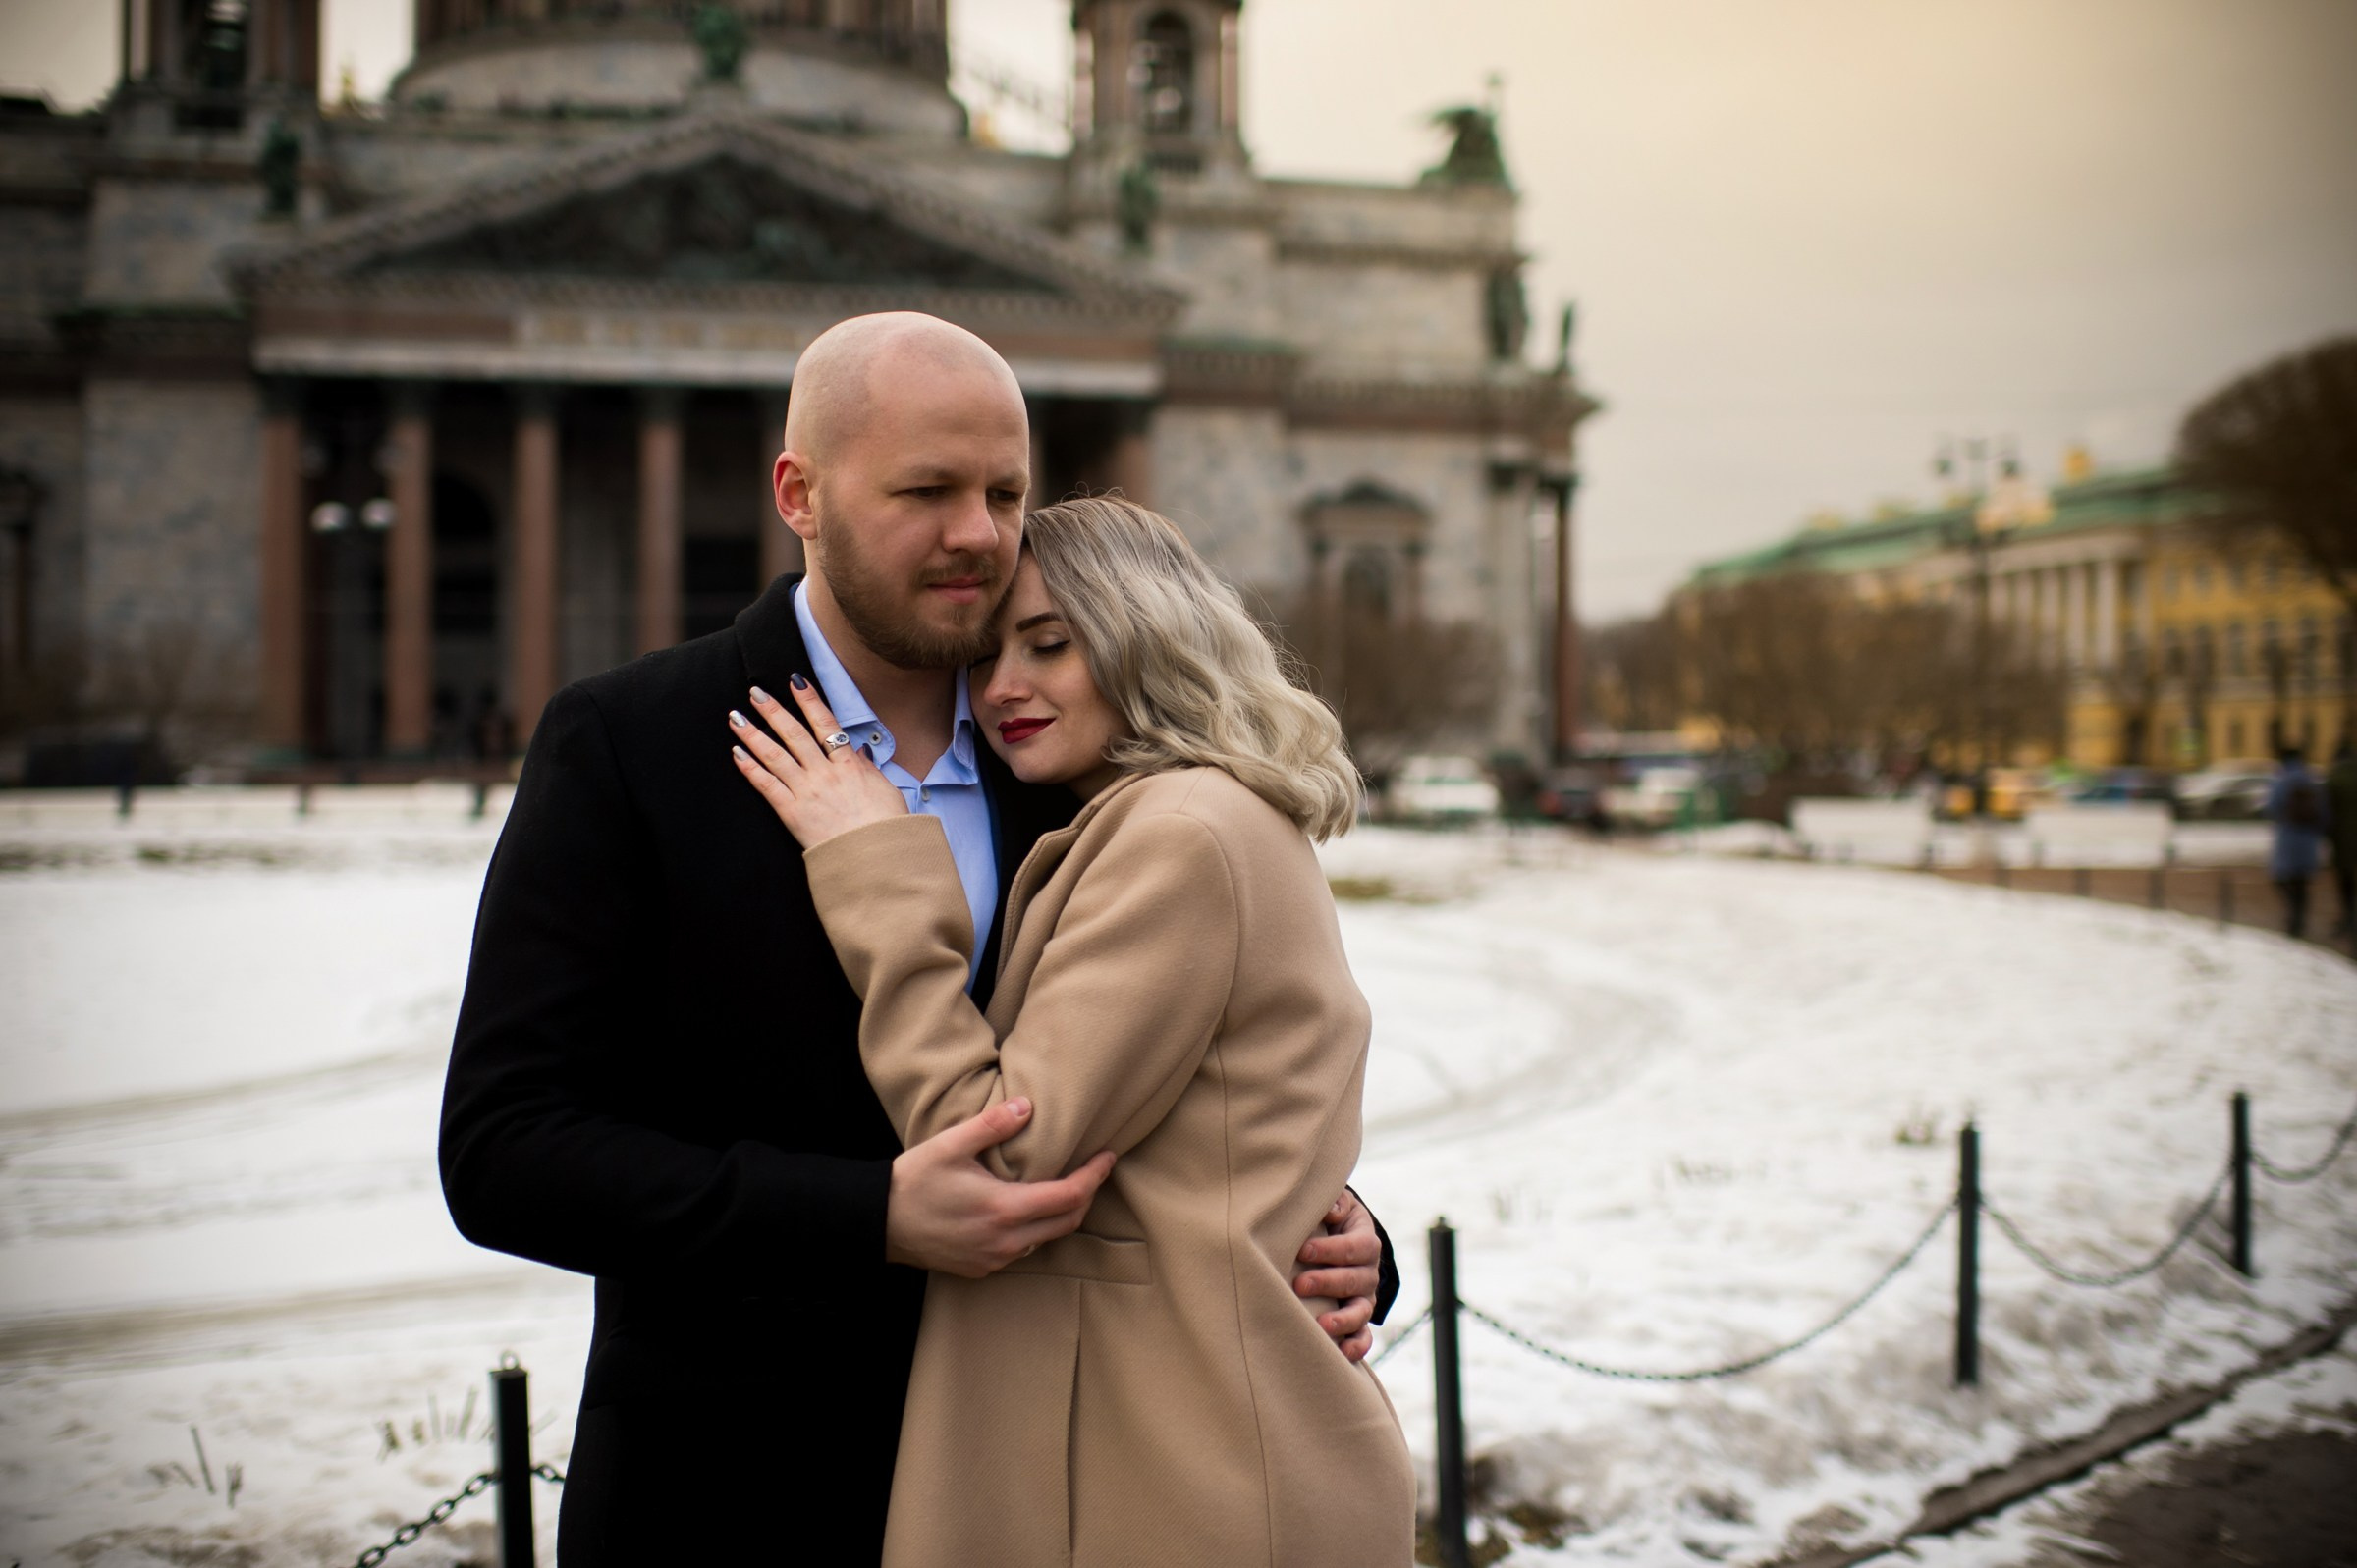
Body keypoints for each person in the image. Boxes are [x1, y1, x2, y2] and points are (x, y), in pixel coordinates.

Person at [437, 313, 1396, 1565]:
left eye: (1006, 491)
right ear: (801, 493)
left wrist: (1342, 1239)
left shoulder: (1076, 752)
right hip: (731, 1496)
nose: (979, 535)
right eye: (927, 490)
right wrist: (865, 1215)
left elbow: (1197, 1079)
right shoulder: (634, 744)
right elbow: (505, 1151)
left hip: (1065, 1489)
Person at [730, 495, 1417, 1567]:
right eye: (987, 654)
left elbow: (1002, 1149)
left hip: (1192, 1480)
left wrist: (876, 865)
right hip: (1165, 1454)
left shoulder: (1184, 832)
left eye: (1050, 643)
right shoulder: (1160, 818)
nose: (1003, 687)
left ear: (1147, 630)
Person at [2263, 743, 2331, 940]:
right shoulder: (2312, 779)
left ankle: (2293, 916)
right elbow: (2324, 811)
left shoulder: (2281, 779)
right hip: (2308, 837)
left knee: (2282, 878)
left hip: (2288, 835)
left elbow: (2272, 807)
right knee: (2302, 881)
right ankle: (2299, 918)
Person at [2327, 737, 2357, 939]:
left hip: (2343, 840)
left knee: (2346, 881)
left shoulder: (2334, 778)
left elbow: (2325, 813)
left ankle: (2349, 918)